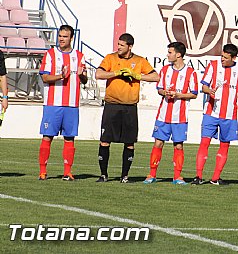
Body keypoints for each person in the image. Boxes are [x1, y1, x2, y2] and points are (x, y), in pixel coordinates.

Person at [95, 33, 159, 183]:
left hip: (130, 107)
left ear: (130, 46)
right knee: (105, 140)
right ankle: (103, 174)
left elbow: (155, 77)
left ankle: (125, 176)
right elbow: (98, 74)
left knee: (129, 142)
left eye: (122, 45)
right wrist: (116, 73)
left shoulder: (139, 61)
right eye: (118, 44)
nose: (118, 47)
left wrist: (136, 75)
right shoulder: (110, 58)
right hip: (112, 106)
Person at [192, 43, 238, 185]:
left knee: (224, 145)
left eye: (225, 57)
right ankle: (198, 176)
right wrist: (208, 90)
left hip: (229, 115)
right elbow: (204, 85)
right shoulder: (213, 65)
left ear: (233, 57)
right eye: (221, 56)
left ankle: (215, 178)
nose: (222, 59)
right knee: (204, 142)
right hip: (211, 112)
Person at [143, 42, 198, 185]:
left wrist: (178, 95)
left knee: (178, 146)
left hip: (180, 116)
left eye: (170, 52)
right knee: (158, 143)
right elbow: (159, 89)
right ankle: (152, 174)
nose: (168, 55)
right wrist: (165, 92)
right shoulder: (165, 70)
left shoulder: (190, 73)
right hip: (163, 115)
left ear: (178, 54)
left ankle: (177, 176)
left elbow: (194, 94)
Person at [38, 25, 87, 180]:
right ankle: (43, 171)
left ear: (71, 38)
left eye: (65, 36)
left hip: (71, 105)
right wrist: (60, 76)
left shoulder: (79, 56)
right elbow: (45, 77)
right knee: (47, 136)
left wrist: (82, 75)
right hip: (53, 103)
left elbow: (84, 79)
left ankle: (67, 172)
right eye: (60, 36)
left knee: (69, 138)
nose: (61, 39)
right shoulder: (51, 54)